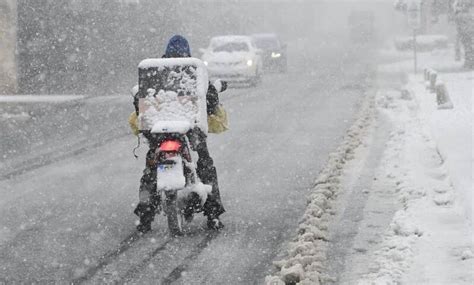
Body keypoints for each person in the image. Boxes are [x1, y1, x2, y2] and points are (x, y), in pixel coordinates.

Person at [131, 35, 225, 233]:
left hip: (159, 135)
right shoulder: (191, 72)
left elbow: (140, 102)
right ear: (187, 53)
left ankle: (145, 217)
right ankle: (213, 214)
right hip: (189, 133)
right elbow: (209, 100)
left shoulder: (154, 75)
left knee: (150, 172)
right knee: (205, 165)